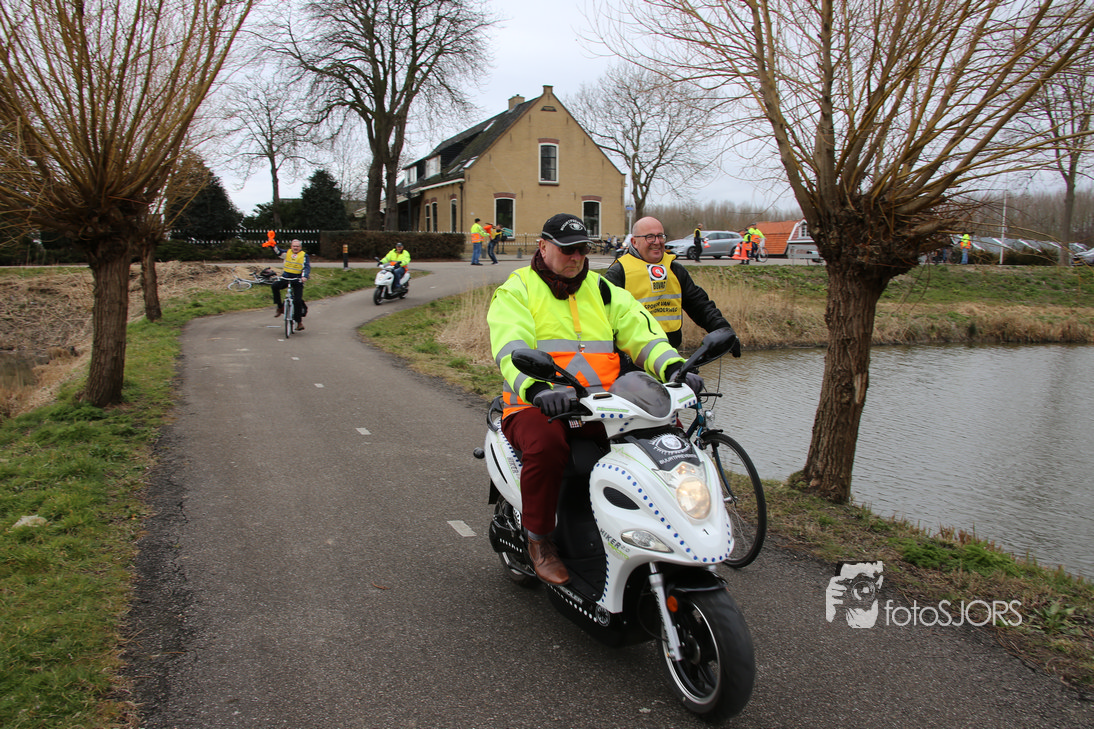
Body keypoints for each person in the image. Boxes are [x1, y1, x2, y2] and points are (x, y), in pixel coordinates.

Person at [488, 213, 701, 585]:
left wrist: (673, 367)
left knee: (655, 443)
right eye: (567, 249)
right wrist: (537, 389)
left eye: (583, 250)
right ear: (543, 246)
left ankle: (652, 530)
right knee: (546, 446)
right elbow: (511, 345)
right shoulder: (517, 289)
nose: (576, 257)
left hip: (602, 406)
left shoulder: (603, 289)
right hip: (537, 404)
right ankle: (539, 539)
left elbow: (642, 333)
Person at [603, 215, 740, 352]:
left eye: (660, 236)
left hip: (669, 354)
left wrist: (724, 331)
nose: (657, 242)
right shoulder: (619, 272)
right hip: (631, 356)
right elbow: (604, 318)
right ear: (634, 242)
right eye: (650, 237)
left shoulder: (675, 270)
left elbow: (699, 305)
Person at [270, 238, 310, 331]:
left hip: (297, 279)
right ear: (291, 246)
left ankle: (299, 322)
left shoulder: (304, 255)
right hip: (286, 278)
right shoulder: (287, 253)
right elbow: (278, 252)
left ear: (300, 247)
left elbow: (306, 267)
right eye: (294, 246)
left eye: (297, 246)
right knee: (274, 286)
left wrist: (304, 277)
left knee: (297, 300)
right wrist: (272, 244)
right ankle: (280, 307)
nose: (295, 248)